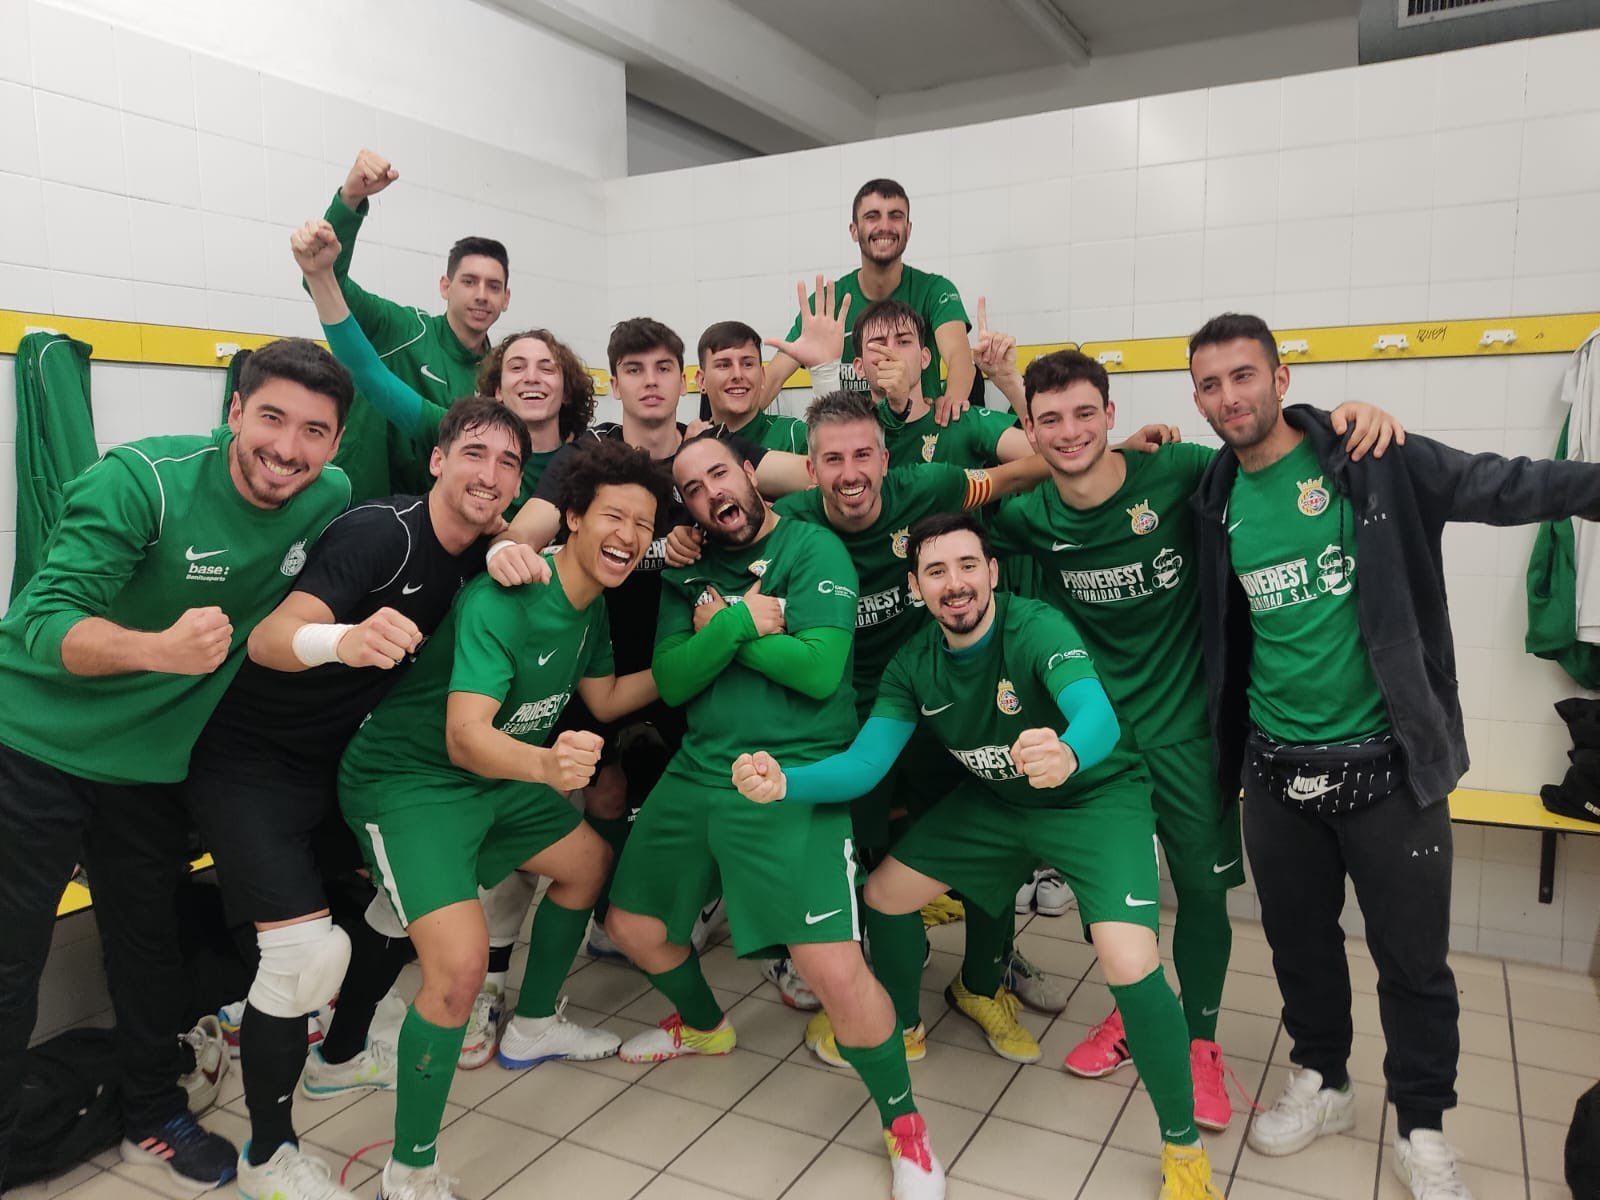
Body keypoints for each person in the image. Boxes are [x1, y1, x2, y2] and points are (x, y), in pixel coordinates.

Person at [1187, 312, 1600, 1200]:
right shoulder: (1212, 498)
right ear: (1197, 397)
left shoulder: (1370, 456)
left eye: (1244, 375)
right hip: (1275, 772)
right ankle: (1325, 1082)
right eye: (1211, 384)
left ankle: (1421, 1123)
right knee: (1300, 946)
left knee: (1414, 963)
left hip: (1389, 769)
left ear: (1281, 376)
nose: (1230, 397)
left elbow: (1501, 485)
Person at [734, 512, 1225, 1200]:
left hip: (1092, 801)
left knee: (1127, 958)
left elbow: (1099, 717)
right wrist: (787, 782)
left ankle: (1184, 1151)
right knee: (885, 895)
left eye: (968, 566)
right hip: (999, 805)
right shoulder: (914, 664)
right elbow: (866, 764)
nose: (955, 584)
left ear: (993, 572)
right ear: (916, 588)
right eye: (936, 572)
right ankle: (903, 1026)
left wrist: (1067, 751)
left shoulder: (1034, 627)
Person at [985, 347, 1404, 1131]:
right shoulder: (1028, 518)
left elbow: (1269, 450)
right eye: (1050, 421)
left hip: (1185, 733)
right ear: (1032, 434)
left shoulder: (1180, 471)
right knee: (1113, 891)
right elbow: (965, 520)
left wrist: (1351, 420)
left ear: (1112, 416)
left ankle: (1200, 1043)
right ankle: (1134, 1010)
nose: (1070, 433)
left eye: (1085, 414)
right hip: (1099, 738)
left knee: (1204, 892)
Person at [0, 340, 354, 1191]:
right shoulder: (141, 483)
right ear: (233, 413)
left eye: (314, 431)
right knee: (11, 957)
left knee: (147, 947)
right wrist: (158, 649)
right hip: (36, 744)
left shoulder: (328, 497)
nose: (288, 448)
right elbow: (41, 623)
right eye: (270, 417)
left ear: (336, 444)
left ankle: (149, 1111)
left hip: (151, 769)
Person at [185, 391, 531, 1199]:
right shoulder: (387, 531)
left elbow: (511, 540)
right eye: (473, 454)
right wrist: (345, 638)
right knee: (306, 956)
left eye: (508, 462)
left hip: (343, 764)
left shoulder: (483, 544)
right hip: (253, 762)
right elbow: (268, 639)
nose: (489, 474)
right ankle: (267, 1154)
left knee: (393, 907)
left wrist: (516, 545)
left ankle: (338, 1059)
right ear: (438, 460)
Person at [602, 434, 945, 1200]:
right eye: (690, 487)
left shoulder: (815, 548)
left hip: (795, 773)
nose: (710, 492)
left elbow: (821, 669)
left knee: (832, 970)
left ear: (750, 474)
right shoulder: (684, 567)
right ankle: (704, 1024)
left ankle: (906, 1129)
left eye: (720, 472)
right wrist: (739, 624)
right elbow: (673, 681)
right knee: (632, 924)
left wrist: (722, 628)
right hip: (700, 770)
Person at [338, 439, 669, 1200]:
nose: (628, 535)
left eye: (644, 525)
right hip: (411, 781)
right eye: (613, 517)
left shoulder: (591, 609)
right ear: (574, 519)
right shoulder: (507, 593)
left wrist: (722, 643)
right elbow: (463, 736)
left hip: (492, 774)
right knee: (453, 977)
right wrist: (549, 769)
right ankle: (408, 1170)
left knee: (587, 864)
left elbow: (609, 699)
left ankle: (535, 1024)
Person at [486, 318, 811, 963]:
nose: (651, 383)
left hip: (695, 650)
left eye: (663, 368)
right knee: (602, 788)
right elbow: (529, 529)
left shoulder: (711, 447)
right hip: (600, 659)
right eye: (634, 371)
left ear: (683, 377)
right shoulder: (592, 457)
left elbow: (816, 478)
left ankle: (744, 921)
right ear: (615, 382)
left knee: (721, 781)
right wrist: (505, 552)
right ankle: (610, 910)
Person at [294, 217, 593, 519]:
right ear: (496, 392)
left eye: (547, 368)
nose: (531, 378)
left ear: (567, 388)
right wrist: (322, 268)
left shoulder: (587, 459)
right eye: (517, 367)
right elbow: (368, 373)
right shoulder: (462, 428)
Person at [318, 148, 512, 499]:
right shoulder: (403, 328)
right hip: (356, 507)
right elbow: (325, 281)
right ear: (445, 286)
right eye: (469, 282)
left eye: (493, 286)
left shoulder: (503, 378)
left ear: (506, 299)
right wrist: (350, 200)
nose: (481, 295)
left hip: (436, 531)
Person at [759, 178, 975, 426]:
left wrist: (953, 401)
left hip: (920, 439)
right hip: (853, 447)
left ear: (909, 228)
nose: (885, 226)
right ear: (853, 229)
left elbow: (959, 356)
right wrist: (721, 428)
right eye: (872, 216)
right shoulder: (829, 302)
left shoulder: (936, 290)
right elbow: (774, 376)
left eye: (895, 216)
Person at [697, 317, 809, 453]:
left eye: (747, 364)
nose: (737, 375)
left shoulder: (794, 436)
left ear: (762, 376)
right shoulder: (693, 447)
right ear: (702, 380)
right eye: (724, 365)